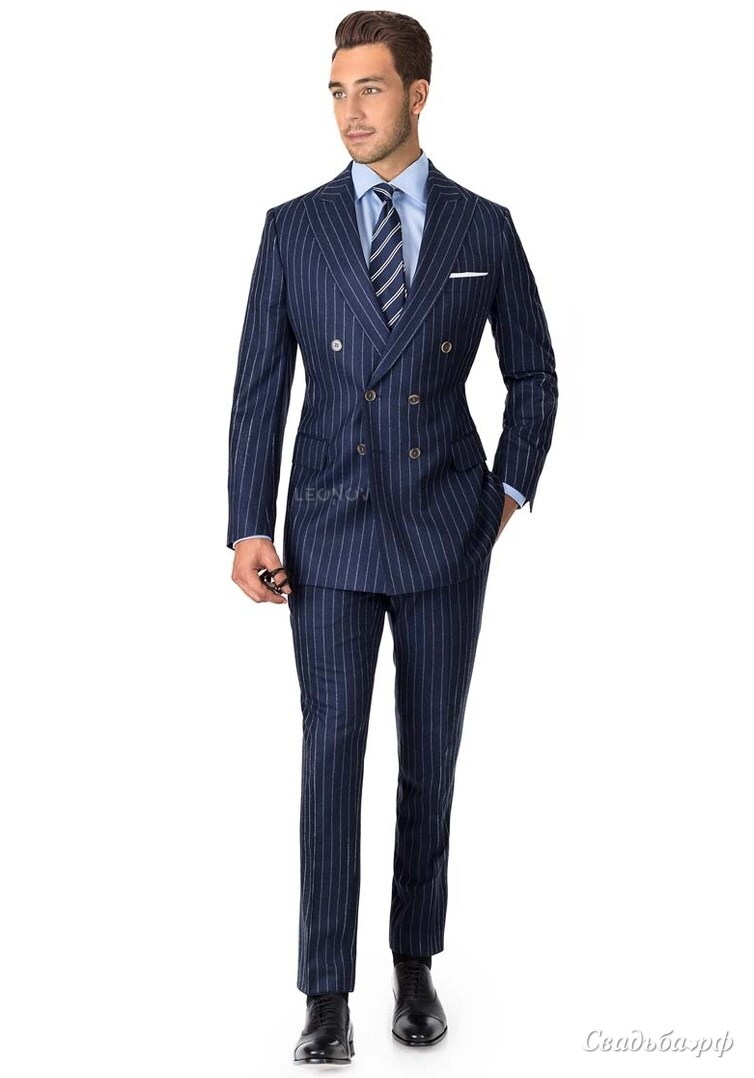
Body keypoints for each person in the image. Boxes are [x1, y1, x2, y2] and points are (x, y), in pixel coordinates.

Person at [227, 10, 558, 1065]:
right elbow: (259, 390)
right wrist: (247, 523)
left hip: (445, 533)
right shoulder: (293, 228)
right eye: (336, 90)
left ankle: (414, 962)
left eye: (368, 88)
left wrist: (504, 494)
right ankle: (325, 992)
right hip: (325, 533)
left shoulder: (483, 227)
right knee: (330, 754)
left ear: (418, 92)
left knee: (430, 755)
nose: (349, 111)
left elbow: (534, 374)